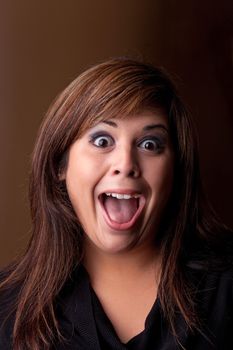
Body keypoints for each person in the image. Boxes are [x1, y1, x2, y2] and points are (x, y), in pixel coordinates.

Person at [0, 58, 232, 350]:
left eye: (150, 144)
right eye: (101, 141)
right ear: (61, 164)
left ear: (176, 170)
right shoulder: (7, 311)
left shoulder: (225, 288)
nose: (125, 164)